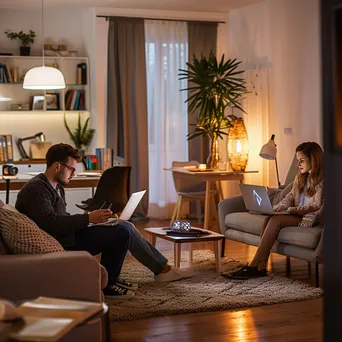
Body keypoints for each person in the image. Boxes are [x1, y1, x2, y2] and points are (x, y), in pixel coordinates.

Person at [15, 143, 192, 300]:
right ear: (57, 166)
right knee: (120, 233)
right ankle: (108, 285)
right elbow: (50, 224)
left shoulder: (56, 186)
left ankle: (154, 270)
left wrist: (93, 221)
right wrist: (88, 218)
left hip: (66, 236)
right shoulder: (36, 189)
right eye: (72, 169)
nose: (74, 174)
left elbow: (61, 218)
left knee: (124, 225)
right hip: (59, 242)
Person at [227, 141, 324, 279]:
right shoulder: (300, 178)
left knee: (275, 221)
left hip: (307, 216)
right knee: (269, 218)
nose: (298, 164)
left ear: (313, 160)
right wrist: (278, 207)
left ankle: (254, 265)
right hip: (294, 212)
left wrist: (295, 210)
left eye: (302, 160)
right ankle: (260, 265)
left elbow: (316, 205)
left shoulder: (322, 181)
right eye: (297, 161)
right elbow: (290, 197)